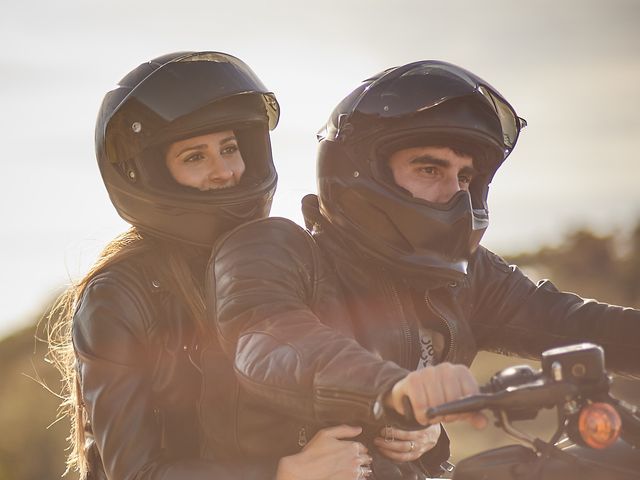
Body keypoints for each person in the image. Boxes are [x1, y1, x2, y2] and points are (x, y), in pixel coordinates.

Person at [206, 60, 640, 479]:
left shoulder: (469, 276)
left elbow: (574, 321)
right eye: (430, 169)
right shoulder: (275, 248)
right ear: (362, 172)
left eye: (465, 177)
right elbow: (270, 338)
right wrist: (393, 389)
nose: (454, 194)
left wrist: (430, 434)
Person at [46, 51, 372, 480]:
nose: (224, 171)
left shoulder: (287, 260)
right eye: (195, 157)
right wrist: (282, 473)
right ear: (149, 175)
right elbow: (133, 472)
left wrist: (410, 430)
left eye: (230, 148)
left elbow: (348, 372)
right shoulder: (118, 295)